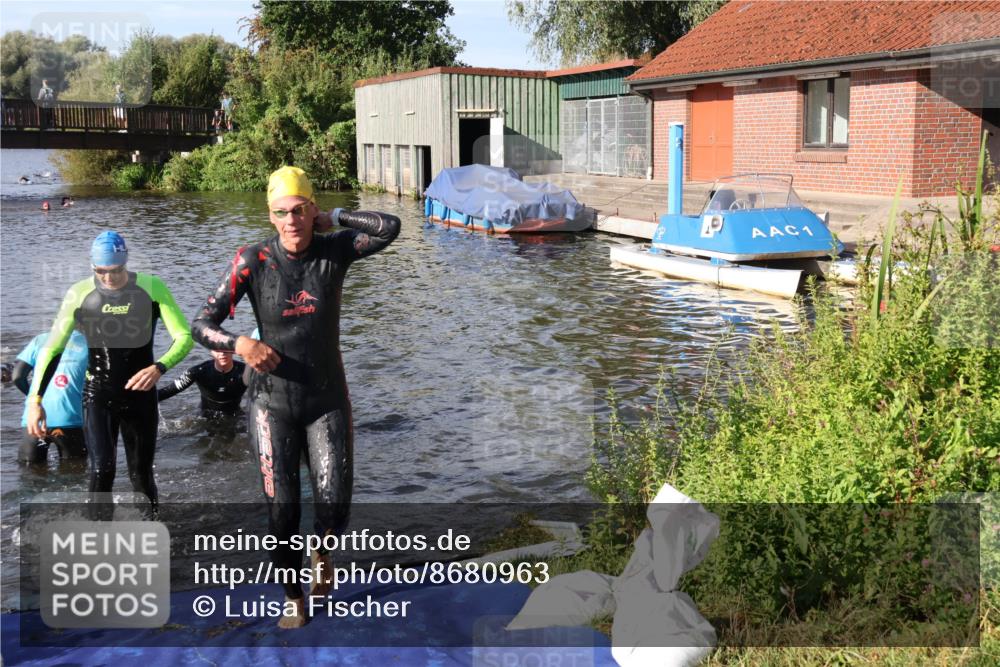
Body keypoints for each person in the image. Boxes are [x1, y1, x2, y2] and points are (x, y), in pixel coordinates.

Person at [191, 166, 400, 628]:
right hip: (272, 404)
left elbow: (390, 227)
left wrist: (338, 217)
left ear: (312, 209)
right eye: (282, 212)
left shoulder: (335, 250)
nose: (291, 220)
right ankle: (293, 597)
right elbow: (201, 324)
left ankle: (322, 550)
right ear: (270, 215)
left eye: (300, 210)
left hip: (326, 400)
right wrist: (238, 344)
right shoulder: (253, 260)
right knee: (282, 513)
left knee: (335, 509)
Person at [26, 231, 193, 516]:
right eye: (100, 271)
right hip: (98, 395)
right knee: (102, 470)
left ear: (125, 262)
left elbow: (184, 337)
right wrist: (35, 401)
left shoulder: (152, 287)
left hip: (141, 395)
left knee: (141, 475)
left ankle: (149, 533)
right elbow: (52, 349)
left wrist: (159, 367)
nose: (108, 278)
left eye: (115, 271)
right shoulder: (79, 293)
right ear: (92, 267)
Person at [12, 331, 88, 465]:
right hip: (70, 418)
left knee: (30, 475)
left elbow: (17, 376)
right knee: (74, 475)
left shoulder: (40, 339)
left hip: (34, 419)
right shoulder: (92, 343)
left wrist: (34, 399)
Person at [157, 349, 247, 416]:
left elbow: (260, 393)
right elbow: (169, 391)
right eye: (217, 350)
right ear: (211, 351)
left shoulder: (245, 371)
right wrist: (145, 399)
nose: (222, 354)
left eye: (225, 350)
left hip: (235, 414)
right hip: (205, 415)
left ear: (233, 350)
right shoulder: (198, 371)